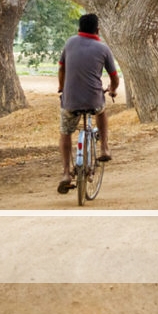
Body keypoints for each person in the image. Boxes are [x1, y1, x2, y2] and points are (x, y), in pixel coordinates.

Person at [56, 13, 119, 194]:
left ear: (79, 28)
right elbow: (114, 78)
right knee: (101, 111)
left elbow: (61, 68)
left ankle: (66, 173)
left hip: (70, 101)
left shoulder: (69, 43)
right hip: (93, 99)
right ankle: (105, 147)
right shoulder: (103, 48)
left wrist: (61, 86)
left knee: (65, 133)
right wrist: (113, 89)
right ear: (97, 30)